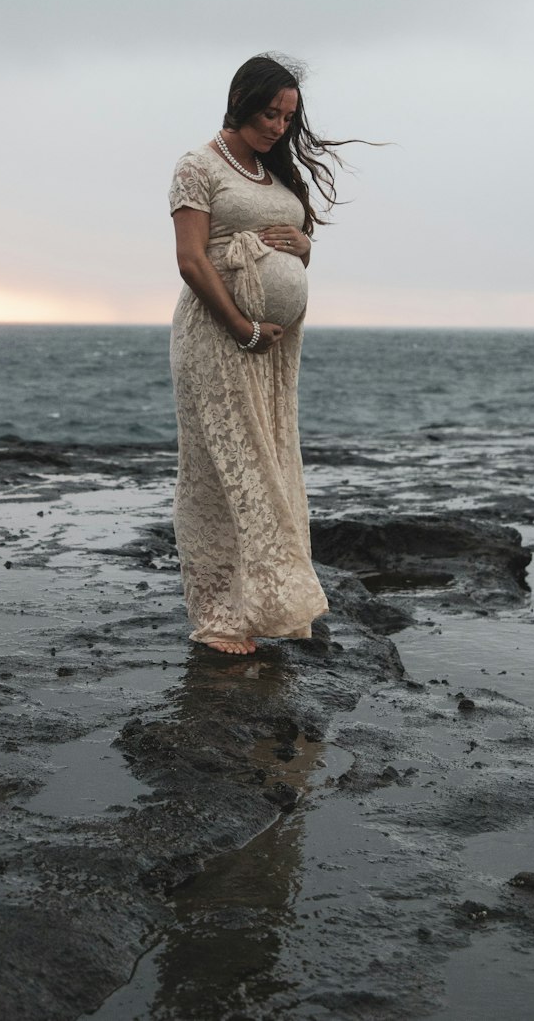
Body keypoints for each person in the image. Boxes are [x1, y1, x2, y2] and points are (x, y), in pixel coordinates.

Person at [167, 53, 356, 655]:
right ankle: (218, 617)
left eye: (287, 116)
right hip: (217, 337)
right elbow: (192, 260)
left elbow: (293, 249)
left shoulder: (274, 174)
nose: (278, 126)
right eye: (270, 113)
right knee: (222, 472)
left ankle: (266, 605)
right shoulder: (198, 166)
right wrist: (242, 325)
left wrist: (304, 246)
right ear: (242, 101)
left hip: (271, 349)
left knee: (268, 462)